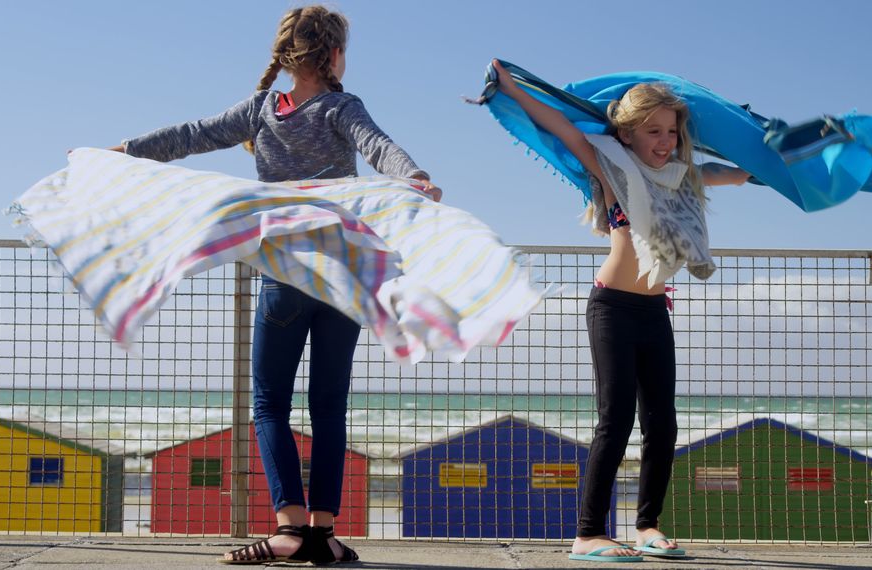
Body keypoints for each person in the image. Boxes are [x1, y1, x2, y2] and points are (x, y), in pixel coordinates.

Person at [112, 6, 440, 565]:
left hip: (286, 275)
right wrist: (414, 179)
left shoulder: (263, 110)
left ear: (285, 55)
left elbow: (192, 135)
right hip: (342, 275)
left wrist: (126, 151)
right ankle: (325, 535)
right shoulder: (341, 105)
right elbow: (379, 146)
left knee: (270, 404)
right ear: (335, 56)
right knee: (330, 405)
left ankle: (288, 529)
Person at [490, 60, 747, 563]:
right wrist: (512, 89)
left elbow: (734, 173)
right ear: (627, 133)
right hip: (612, 307)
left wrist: (773, 156)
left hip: (654, 310)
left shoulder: (681, 177)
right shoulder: (610, 163)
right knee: (617, 419)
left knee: (664, 423)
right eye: (653, 131)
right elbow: (560, 126)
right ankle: (587, 534)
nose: (665, 141)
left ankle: (647, 526)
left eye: (672, 131)